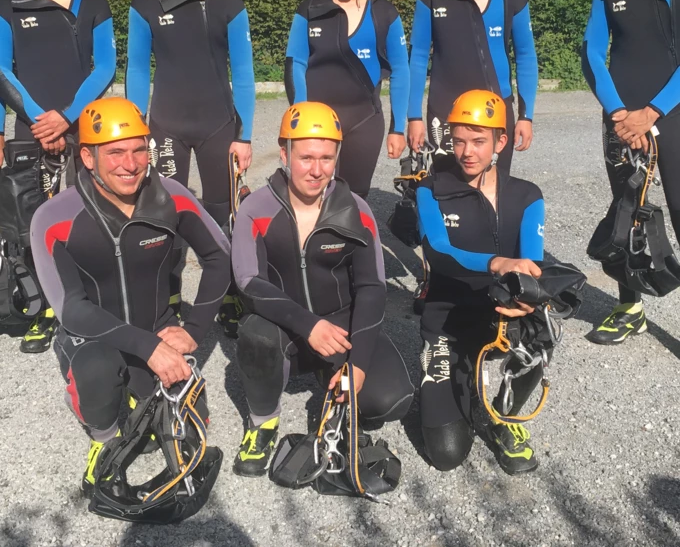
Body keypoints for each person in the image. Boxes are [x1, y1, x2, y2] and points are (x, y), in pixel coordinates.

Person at [30, 97, 231, 494]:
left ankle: (143, 393)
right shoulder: (54, 218)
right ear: (87, 157)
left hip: (154, 328)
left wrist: (192, 330)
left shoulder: (170, 195)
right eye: (116, 152)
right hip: (93, 338)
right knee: (98, 372)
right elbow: (71, 309)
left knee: (192, 425)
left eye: (140, 149)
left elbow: (220, 257)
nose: (131, 163)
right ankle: (102, 440)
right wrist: (149, 348)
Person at [231, 101, 414, 476]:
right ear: (284, 153)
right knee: (255, 334)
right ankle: (262, 422)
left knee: (390, 400)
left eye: (327, 158)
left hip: (339, 328)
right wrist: (307, 325)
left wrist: (359, 362)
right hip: (284, 325)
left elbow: (373, 287)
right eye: (306, 157)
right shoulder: (256, 209)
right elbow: (248, 282)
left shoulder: (356, 209)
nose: (317, 170)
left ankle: (333, 381)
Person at [126, 0, 255, 332]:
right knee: (165, 217)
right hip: (166, 126)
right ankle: (169, 297)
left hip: (220, 126)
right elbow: (138, 70)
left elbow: (246, 73)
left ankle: (230, 295)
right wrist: (134, 130)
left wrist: (246, 134)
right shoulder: (146, 4)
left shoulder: (230, 4)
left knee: (224, 216)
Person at [0, 0, 116, 352]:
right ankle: (45, 305)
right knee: (34, 221)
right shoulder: (8, 5)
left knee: (90, 213)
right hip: (32, 127)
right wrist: (38, 118)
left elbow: (104, 65)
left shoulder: (94, 3)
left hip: (83, 124)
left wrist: (67, 115)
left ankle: (90, 298)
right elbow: (1, 69)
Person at [416, 89, 546, 474]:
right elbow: (438, 252)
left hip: (500, 322)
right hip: (447, 326)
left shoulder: (527, 195)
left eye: (478, 141)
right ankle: (465, 379)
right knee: (446, 453)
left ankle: (504, 415)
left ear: (500, 142)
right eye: (458, 141)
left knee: (541, 331)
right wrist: (497, 262)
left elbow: (532, 265)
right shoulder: (430, 189)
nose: (467, 151)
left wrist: (529, 300)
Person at [582, 0, 679, 344]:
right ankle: (629, 308)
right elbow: (591, 51)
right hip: (622, 122)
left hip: (673, 112)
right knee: (627, 210)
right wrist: (621, 113)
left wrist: (653, 112)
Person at [407, 0, 538, 172]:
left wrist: (526, 116)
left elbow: (525, 55)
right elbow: (418, 56)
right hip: (446, 111)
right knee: (448, 194)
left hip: (495, 111)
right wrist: (413, 117)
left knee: (494, 193)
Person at [285, 0, 409, 197]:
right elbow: (295, 63)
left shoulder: (384, 13)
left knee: (353, 200)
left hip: (364, 121)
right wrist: (300, 121)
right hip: (316, 124)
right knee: (313, 197)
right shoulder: (309, 9)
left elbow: (401, 71)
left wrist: (398, 128)